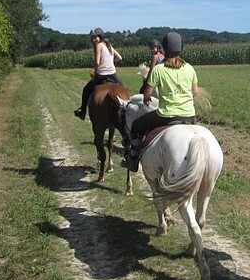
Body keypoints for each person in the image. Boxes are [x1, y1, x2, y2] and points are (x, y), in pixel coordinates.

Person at [121, 32, 199, 172]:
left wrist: (146, 99)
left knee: (137, 125)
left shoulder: (159, 69)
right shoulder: (189, 68)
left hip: (166, 115)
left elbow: (147, 94)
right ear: (181, 48)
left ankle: (133, 159)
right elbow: (195, 92)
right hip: (189, 115)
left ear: (164, 48)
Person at [74, 27, 123, 121]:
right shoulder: (109, 45)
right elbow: (119, 58)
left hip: (102, 75)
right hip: (113, 74)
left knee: (86, 90)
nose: (93, 40)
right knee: (122, 88)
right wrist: (109, 62)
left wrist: (96, 73)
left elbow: (97, 62)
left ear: (100, 36)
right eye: (92, 38)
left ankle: (82, 111)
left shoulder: (98, 46)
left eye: (95, 37)